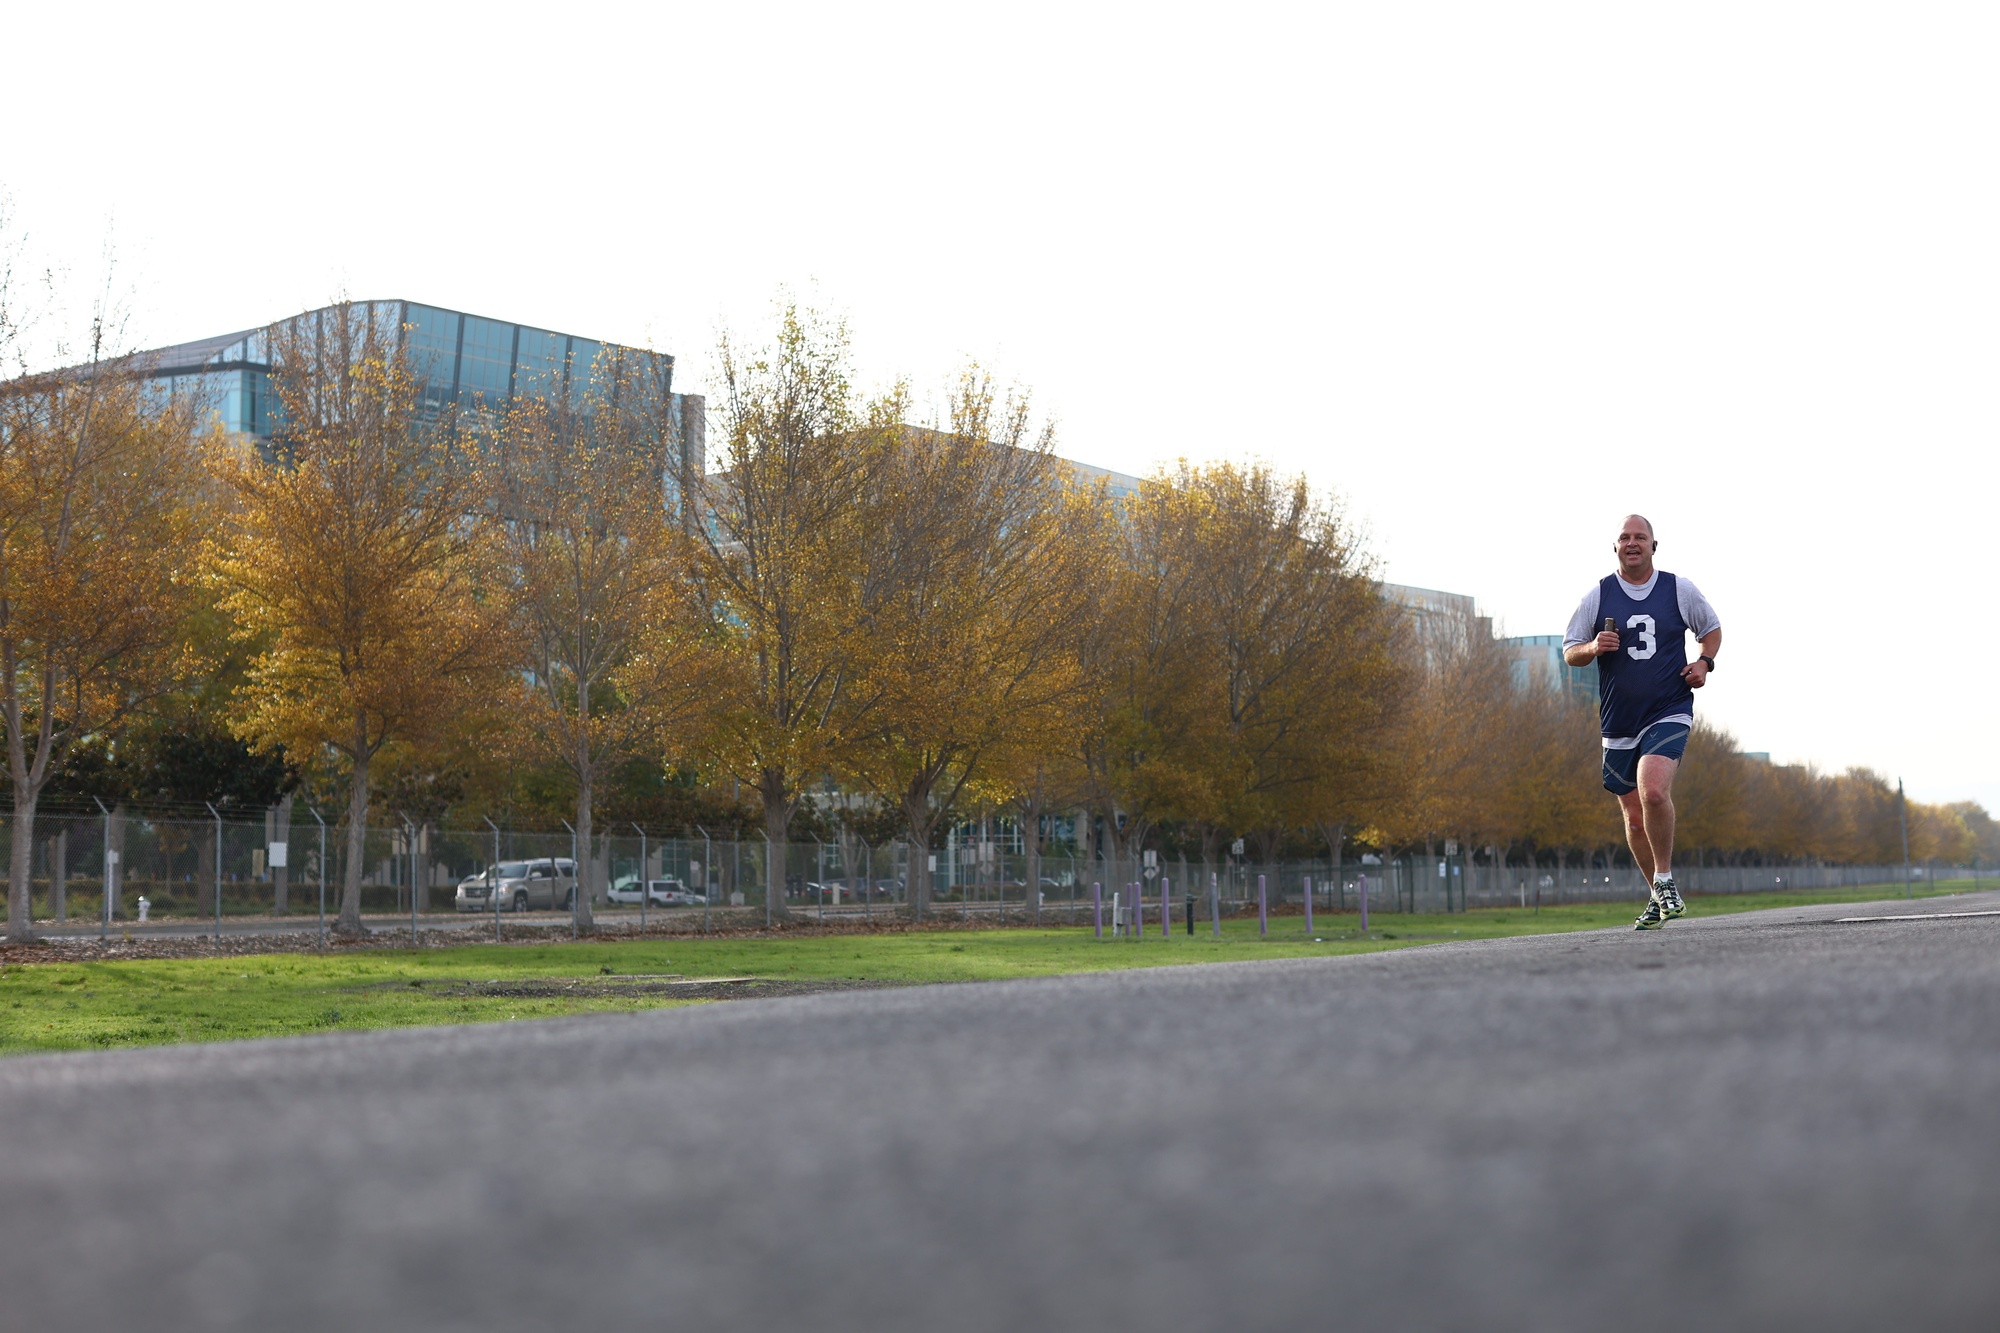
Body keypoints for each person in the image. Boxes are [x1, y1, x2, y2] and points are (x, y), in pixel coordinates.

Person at [1562, 515, 1722, 930]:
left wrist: (1704, 662)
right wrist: (1594, 646)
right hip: (1618, 720)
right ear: (1614, 547)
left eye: (1640, 538)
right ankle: (1657, 896)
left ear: (1654, 546)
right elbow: (1569, 651)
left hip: (1668, 707)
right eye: (1624, 538)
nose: (1632, 543)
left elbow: (1712, 629)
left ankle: (1664, 880)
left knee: (1653, 791)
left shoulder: (1678, 589)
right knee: (1633, 817)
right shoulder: (1598, 595)